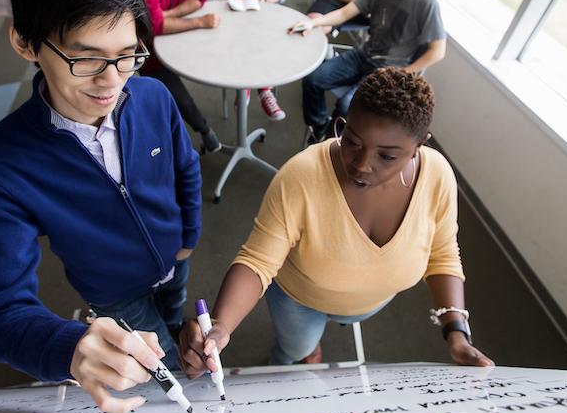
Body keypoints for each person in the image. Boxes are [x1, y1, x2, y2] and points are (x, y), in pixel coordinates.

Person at [0, 0, 202, 413]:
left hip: (175, 256)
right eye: (87, 58)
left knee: (175, 313)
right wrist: (68, 347)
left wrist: (189, 237)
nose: (112, 82)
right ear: (26, 43)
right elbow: (2, 313)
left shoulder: (153, 96)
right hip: (113, 292)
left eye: (128, 54)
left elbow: (186, 170)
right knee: (158, 365)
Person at [179, 68, 494, 373]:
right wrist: (220, 326)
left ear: (419, 146)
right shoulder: (301, 176)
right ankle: (302, 352)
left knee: (329, 329)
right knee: (293, 352)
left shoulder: (436, 175)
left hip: (370, 302)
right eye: (352, 140)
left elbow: (443, 254)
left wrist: (457, 334)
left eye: (386, 156)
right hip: (300, 301)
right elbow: (258, 260)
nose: (361, 165)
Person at [293, 0, 446, 143]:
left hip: (388, 70)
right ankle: (320, 129)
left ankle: (331, 147)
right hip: (363, 56)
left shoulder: (425, 0)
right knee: (312, 79)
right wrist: (314, 24)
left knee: (347, 105)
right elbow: (347, 12)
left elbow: (437, 51)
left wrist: (403, 74)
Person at [129, 0, 222, 152]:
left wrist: (167, 14)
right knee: (173, 95)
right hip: (152, 49)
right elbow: (155, 26)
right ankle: (204, 130)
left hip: (180, 34)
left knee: (226, 56)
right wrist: (199, 21)